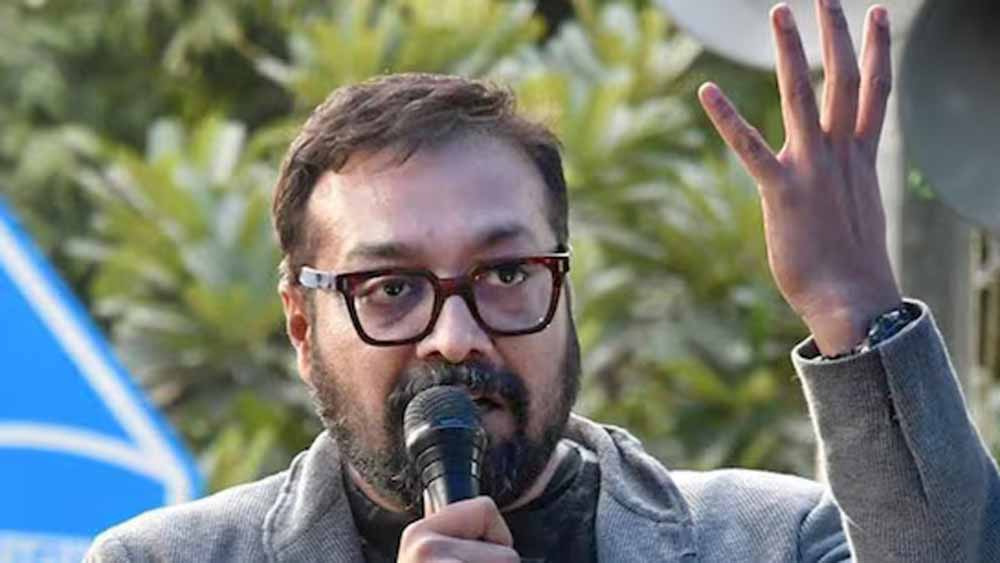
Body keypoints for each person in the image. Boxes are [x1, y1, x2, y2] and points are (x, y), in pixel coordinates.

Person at [87, 2, 1000, 561]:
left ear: (564, 287)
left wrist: (853, 306)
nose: (455, 336)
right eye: (391, 288)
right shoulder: (162, 559)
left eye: (505, 272)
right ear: (301, 323)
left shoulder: (772, 540)